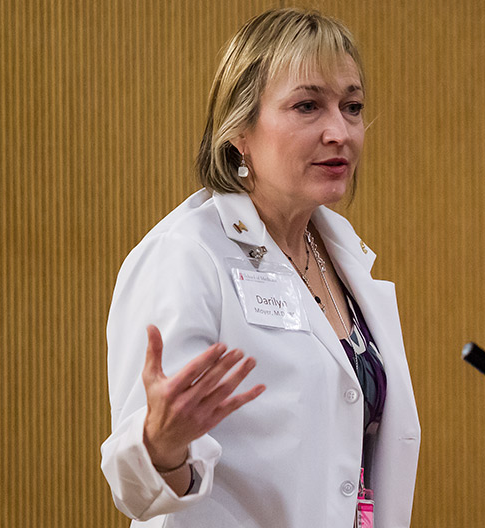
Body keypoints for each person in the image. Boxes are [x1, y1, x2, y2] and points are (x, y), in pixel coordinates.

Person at [100, 8, 420, 527]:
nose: (340, 131)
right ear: (240, 131)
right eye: (307, 106)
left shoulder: (339, 255)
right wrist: (161, 448)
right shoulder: (187, 256)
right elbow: (138, 491)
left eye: (353, 106)